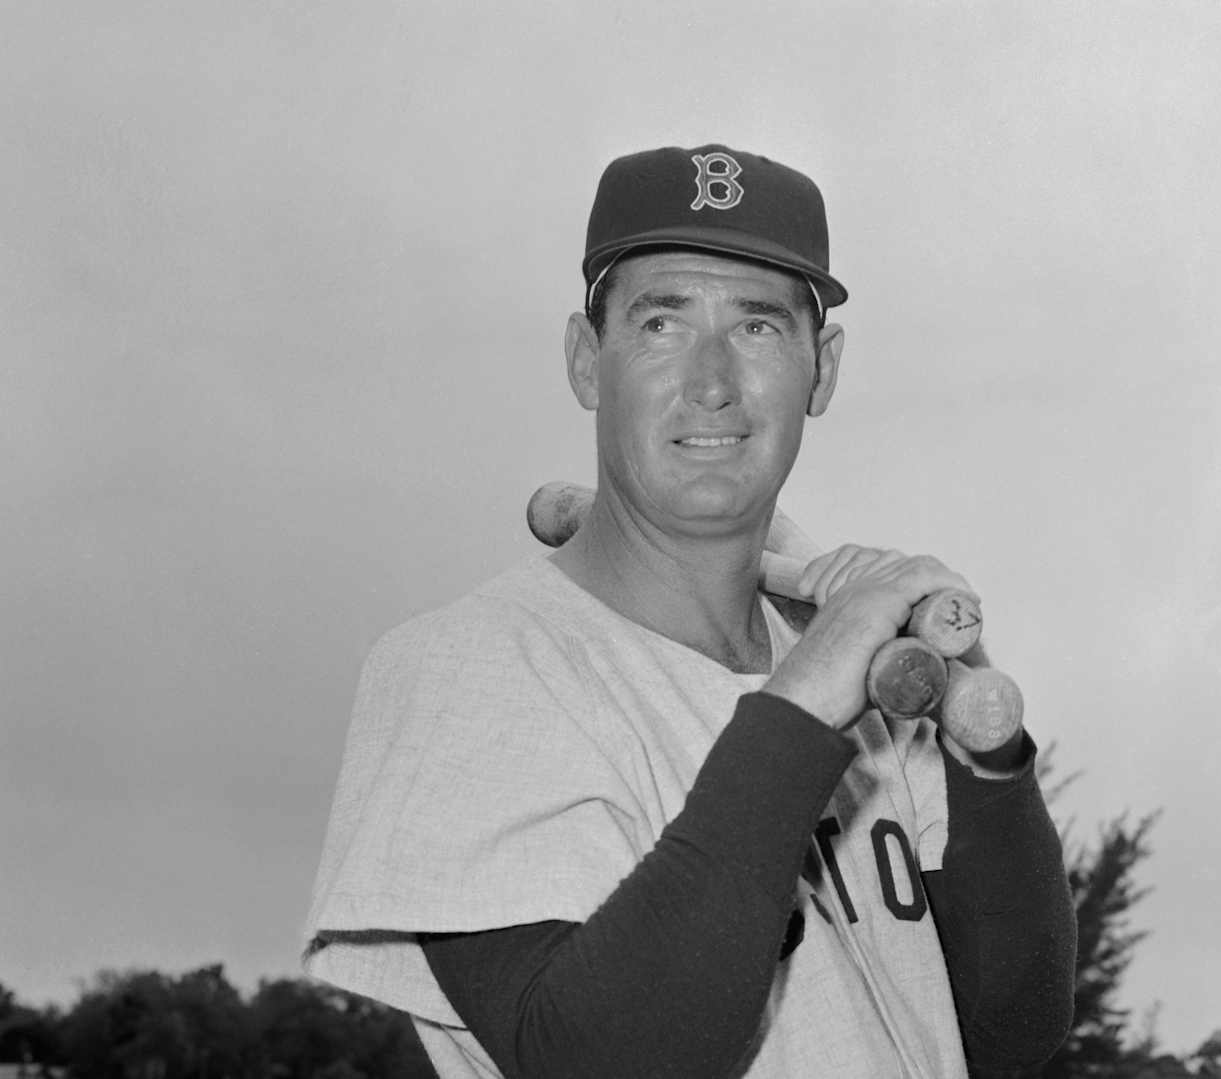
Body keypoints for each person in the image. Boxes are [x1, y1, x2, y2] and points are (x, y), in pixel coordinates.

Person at [301, 143, 1076, 1078]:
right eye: (663, 324)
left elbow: (1008, 1034)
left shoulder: (868, 668)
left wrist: (983, 747)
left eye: (757, 328)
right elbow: (593, 1061)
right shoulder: (468, 669)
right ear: (590, 361)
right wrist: (797, 712)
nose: (711, 381)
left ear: (821, 370)